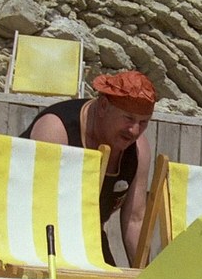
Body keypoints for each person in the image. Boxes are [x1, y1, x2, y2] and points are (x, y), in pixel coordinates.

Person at [20, 70, 156, 267]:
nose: (134, 131)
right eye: (128, 118)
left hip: (87, 236)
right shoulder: (55, 130)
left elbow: (135, 220)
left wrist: (147, 278)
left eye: (143, 122)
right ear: (103, 106)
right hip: (34, 231)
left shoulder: (138, 150)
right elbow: (40, 208)